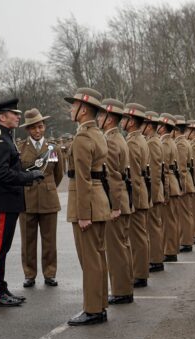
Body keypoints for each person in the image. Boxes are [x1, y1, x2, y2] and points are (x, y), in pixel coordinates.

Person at [0, 98, 44, 307]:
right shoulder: (0, 140)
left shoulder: (6, 137)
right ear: (2, 117)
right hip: (2, 202)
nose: (18, 116)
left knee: (3, 248)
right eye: (14, 113)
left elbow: (10, 169)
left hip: (8, 201)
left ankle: (1, 288)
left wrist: (31, 172)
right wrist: (28, 177)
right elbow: (1, 174)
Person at [64, 88, 111, 325]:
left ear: (83, 110)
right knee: (98, 257)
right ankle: (99, 305)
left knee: (90, 259)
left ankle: (93, 309)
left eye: (73, 106)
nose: (71, 109)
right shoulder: (98, 134)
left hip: (88, 204)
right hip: (98, 200)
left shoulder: (83, 138)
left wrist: (83, 214)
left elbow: (82, 178)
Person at [18, 108, 63, 288]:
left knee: (49, 240)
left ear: (44, 127)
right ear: (28, 130)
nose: (37, 131)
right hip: (27, 200)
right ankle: (29, 274)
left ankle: (50, 273)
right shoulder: (20, 148)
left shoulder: (53, 148)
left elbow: (58, 174)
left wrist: (47, 187)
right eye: (33, 128)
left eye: (40, 126)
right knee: (28, 241)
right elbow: (18, 173)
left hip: (48, 200)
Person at [97, 98, 134, 305]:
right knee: (123, 246)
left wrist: (114, 206)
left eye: (101, 115)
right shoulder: (119, 138)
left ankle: (121, 290)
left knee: (117, 249)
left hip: (117, 202)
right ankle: (125, 287)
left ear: (109, 119)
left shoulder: (111, 141)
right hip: (123, 200)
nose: (99, 118)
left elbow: (113, 177)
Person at [121, 103, 151, 288]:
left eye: (124, 119)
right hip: (141, 189)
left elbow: (131, 173)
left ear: (131, 122)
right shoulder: (139, 139)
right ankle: (141, 271)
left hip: (137, 191)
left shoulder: (132, 142)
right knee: (140, 234)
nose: (121, 121)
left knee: (137, 235)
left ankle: (139, 273)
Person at [142, 111, 166, 272]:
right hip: (154, 190)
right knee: (153, 226)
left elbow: (155, 171)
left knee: (153, 227)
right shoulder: (152, 141)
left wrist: (152, 193)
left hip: (153, 190)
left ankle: (156, 259)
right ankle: (156, 258)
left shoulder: (152, 143)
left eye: (143, 124)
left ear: (149, 126)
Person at [158, 113, 181, 262]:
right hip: (172, 182)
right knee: (170, 219)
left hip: (169, 183)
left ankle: (171, 250)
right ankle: (171, 248)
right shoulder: (168, 141)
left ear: (163, 127)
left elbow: (164, 168)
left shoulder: (166, 143)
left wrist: (164, 190)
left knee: (168, 220)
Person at [174, 115, 195, 253]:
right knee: (186, 213)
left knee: (184, 214)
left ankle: (186, 241)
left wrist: (181, 185)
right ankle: (187, 240)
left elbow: (181, 167)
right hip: (186, 180)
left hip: (184, 181)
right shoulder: (184, 142)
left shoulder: (181, 143)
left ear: (176, 130)